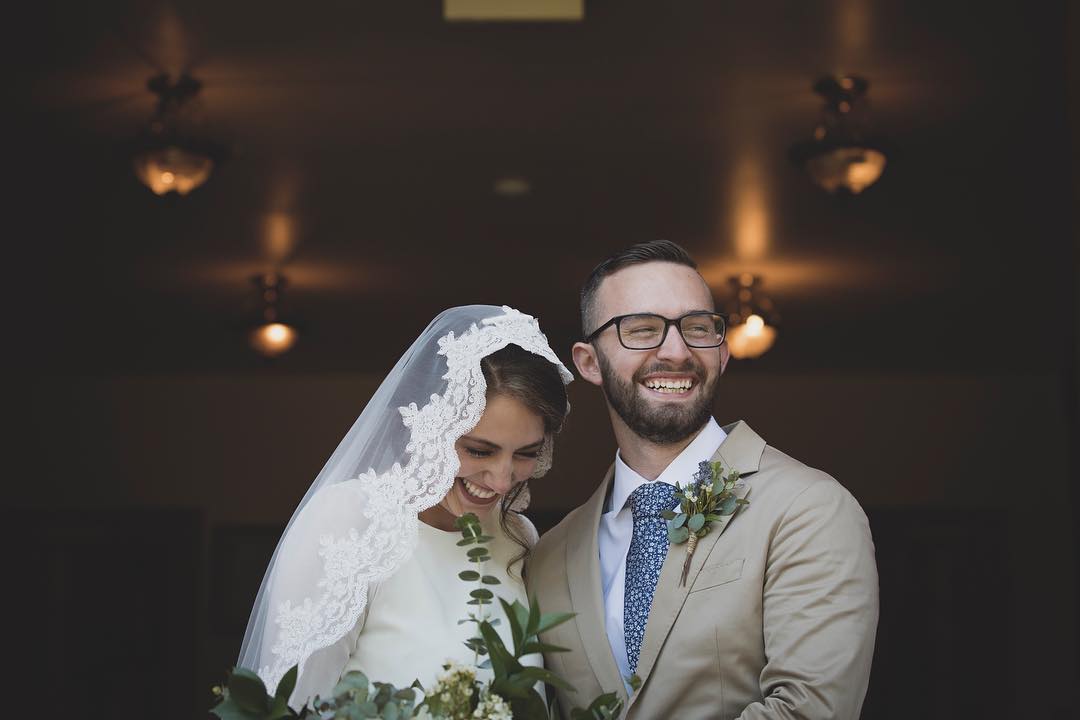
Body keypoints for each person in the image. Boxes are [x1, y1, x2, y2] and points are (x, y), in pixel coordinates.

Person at [528, 241, 879, 719]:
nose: (676, 351)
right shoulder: (550, 554)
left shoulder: (808, 508)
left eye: (697, 328)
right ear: (589, 362)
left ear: (723, 352)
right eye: (643, 329)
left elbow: (808, 711)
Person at [238, 305, 573, 708]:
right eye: (479, 451)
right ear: (431, 427)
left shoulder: (518, 536)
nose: (502, 480)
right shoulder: (348, 522)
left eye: (526, 453)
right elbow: (291, 706)